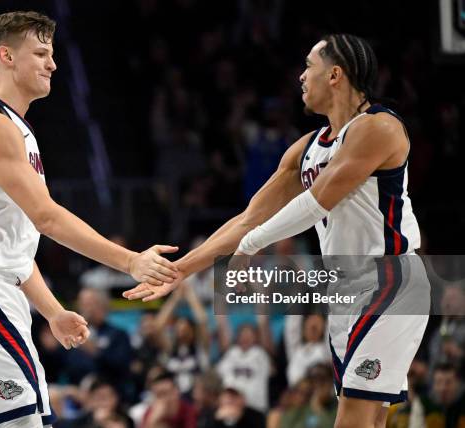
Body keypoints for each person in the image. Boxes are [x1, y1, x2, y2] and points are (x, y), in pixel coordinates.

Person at [125, 33, 429, 428]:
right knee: (371, 421)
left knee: (353, 420)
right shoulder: (307, 148)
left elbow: (319, 198)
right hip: (346, 287)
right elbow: (247, 218)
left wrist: (253, 245)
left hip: (390, 281)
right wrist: (182, 269)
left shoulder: (379, 127)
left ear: (335, 74)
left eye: (309, 66)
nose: (301, 76)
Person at [0, 11, 179, 428]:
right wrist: (130, 261)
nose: (53, 64)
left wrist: (52, 311)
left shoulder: (16, 129)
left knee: (33, 421)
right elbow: (47, 218)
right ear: (6, 56)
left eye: (53, 53)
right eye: (41, 53)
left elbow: (14, 247)